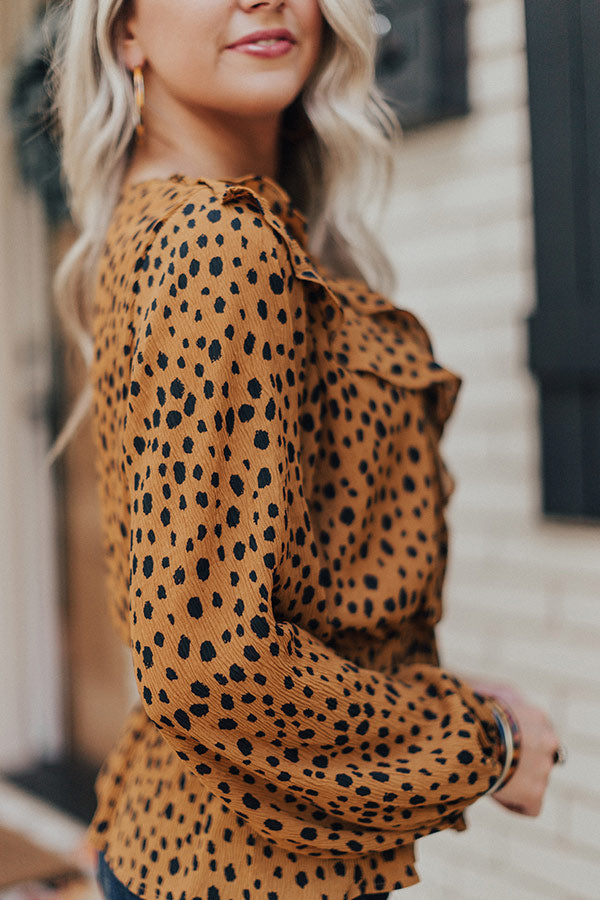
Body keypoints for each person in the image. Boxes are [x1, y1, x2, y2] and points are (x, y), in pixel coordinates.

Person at [52, 1, 564, 898]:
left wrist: (439, 695)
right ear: (125, 30)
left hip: (191, 841)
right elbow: (207, 664)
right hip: (252, 873)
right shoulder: (219, 244)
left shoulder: (173, 218)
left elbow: (260, 600)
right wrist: (485, 744)